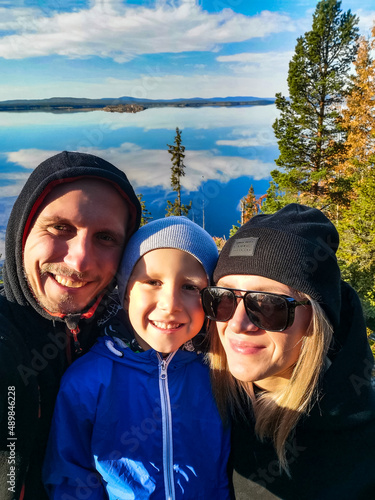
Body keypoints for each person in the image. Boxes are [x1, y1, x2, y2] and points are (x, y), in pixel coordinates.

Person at [43, 216, 231, 500]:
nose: (170, 305)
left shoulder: (219, 374)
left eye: (190, 287)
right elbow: (70, 477)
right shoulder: (88, 380)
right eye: (153, 281)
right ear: (126, 292)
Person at [202, 204, 375, 499]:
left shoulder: (364, 440)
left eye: (268, 305)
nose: (238, 324)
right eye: (223, 298)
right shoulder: (195, 396)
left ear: (317, 320)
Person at [0, 151, 141, 500]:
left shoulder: (135, 330)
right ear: (22, 231)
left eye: (106, 237)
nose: (79, 260)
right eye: (61, 228)